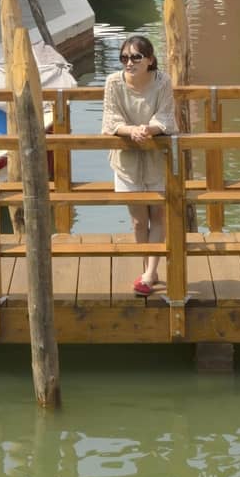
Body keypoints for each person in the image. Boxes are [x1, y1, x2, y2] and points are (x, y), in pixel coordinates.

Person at [101, 35, 175, 297]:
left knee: (158, 216)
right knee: (137, 221)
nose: (129, 63)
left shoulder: (163, 81)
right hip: (127, 160)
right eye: (124, 58)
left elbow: (166, 115)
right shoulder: (113, 83)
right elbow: (111, 119)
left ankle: (148, 274)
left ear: (149, 60)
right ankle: (149, 271)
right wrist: (131, 131)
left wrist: (149, 129)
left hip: (157, 157)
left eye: (135, 57)